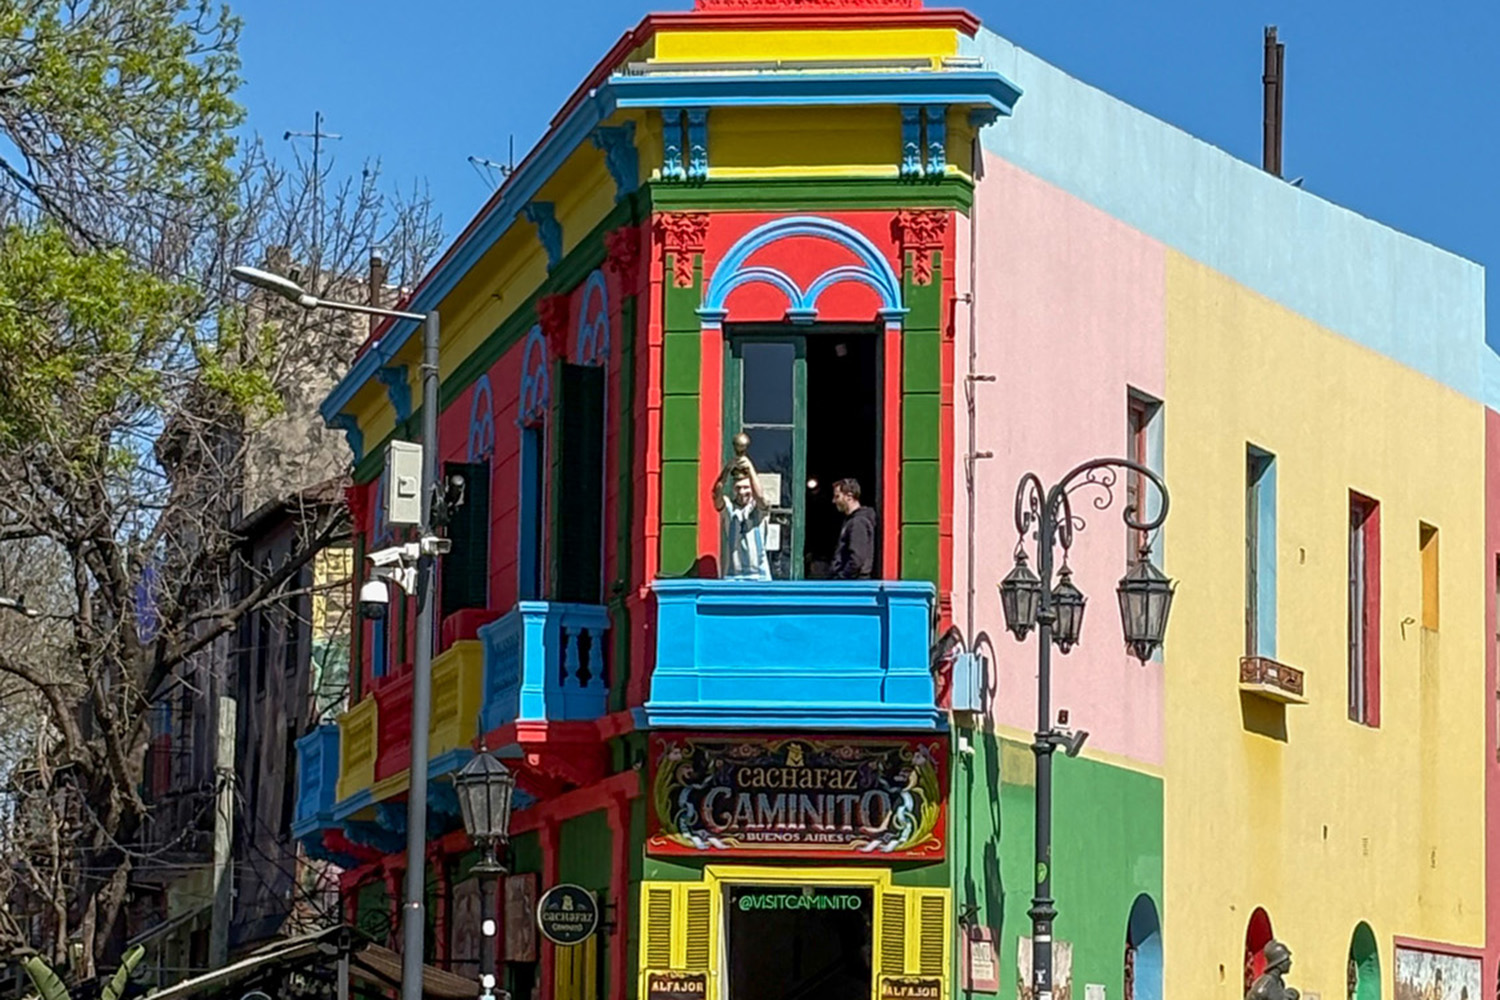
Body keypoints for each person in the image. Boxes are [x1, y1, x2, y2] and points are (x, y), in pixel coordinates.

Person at [712, 454, 771, 581]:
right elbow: (716, 494)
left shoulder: (758, 508)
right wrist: (727, 469)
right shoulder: (729, 508)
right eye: (738, 488)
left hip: (760, 576)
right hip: (732, 577)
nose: (742, 492)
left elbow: (760, 497)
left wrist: (750, 468)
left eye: (746, 487)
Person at [831, 478, 876, 579]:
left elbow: (857, 559)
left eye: (837, 496)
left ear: (849, 496)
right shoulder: (852, 521)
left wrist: (841, 577)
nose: (834, 501)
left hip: (854, 584)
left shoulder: (858, 523)